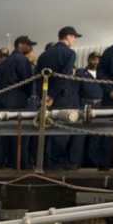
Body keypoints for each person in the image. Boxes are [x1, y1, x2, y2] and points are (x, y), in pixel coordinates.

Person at [36, 26, 82, 169]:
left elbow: (38, 77)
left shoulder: (44, 55)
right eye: (74, 37)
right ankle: (58, 160)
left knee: (48, 127)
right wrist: (53, 95)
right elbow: (64, 76)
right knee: (63, 127)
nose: (74, 40)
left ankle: (47, 159)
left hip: (46, 95)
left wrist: (43, 96)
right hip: (63, 95)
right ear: (67, 37)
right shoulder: (69, 53)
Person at [0, 35, 39, 168]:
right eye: (28, 44)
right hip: (18, 97)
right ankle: (19, 162)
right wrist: (28, 94)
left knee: (7, 132)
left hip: (6, 97)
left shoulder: (6, 60)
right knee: (19, 133)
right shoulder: (21, 59)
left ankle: (7, 160)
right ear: (20, 45)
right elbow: (26, 80)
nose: (31, 47)